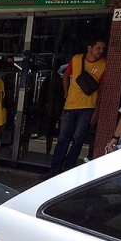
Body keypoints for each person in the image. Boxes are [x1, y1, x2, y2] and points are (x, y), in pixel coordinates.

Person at [43, 38, 107, 178]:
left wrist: (97, 110)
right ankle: (54, 171)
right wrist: (66, 91)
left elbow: (102, 89)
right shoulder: (77, 59)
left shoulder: (104, 64)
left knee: (78, 139)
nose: (101, 51)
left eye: (103, 48)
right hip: (70, 105)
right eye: (98, 48)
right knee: (62, 138)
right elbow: (66, 75)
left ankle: (68, 171)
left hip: (88, 106)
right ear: (90, 48)